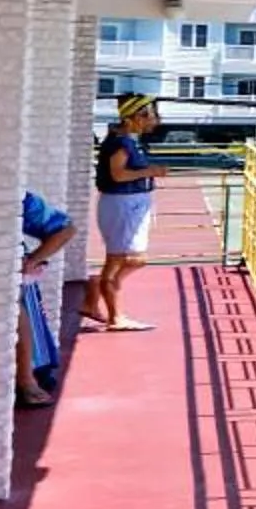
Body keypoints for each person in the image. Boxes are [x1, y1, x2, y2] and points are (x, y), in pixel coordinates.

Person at [91, 95, 166, 332]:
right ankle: (115, 316)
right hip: (123, 204)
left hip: (132, 204)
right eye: (150, 115)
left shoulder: (131, 141)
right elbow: (118, 175)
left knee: (130, 258)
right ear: (135, 117)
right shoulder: (121, 143)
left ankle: (96, 291)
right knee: (123, 259)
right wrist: (150, 171)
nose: (155, 120)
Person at [16, 191, 76, 408]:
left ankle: (26, 379)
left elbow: (65, 228)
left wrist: (33, 259)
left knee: (16, 306)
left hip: (15, 280)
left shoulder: (16, 197)